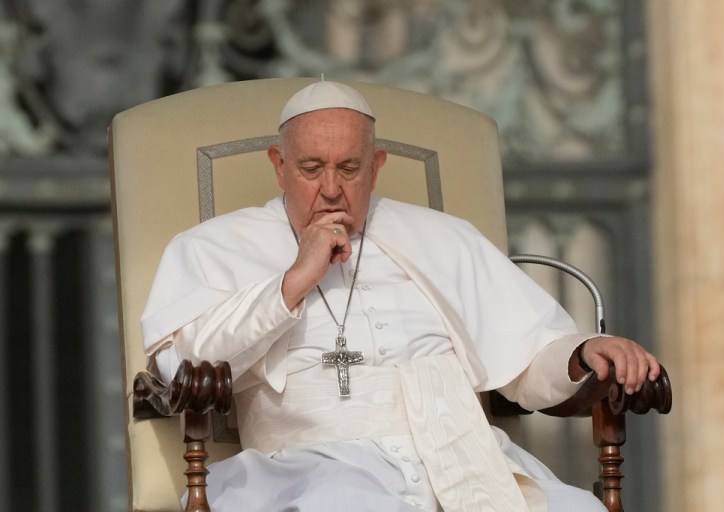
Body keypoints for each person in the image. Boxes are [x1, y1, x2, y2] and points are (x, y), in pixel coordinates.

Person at [141, 80, 660, 512]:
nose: (330, 188)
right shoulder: (214, 247)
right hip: (312, 468)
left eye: (348, 168)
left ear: (377, 164)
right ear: (278, 164)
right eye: (310, 168)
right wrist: (294, 278)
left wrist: (581, 354)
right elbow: (181, 363)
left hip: (462, 458)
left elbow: (526, 358)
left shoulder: (444, 237)